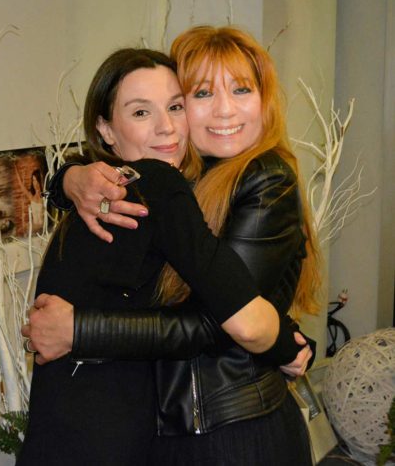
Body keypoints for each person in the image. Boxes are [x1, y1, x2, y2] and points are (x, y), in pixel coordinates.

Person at [23, 26, 320, 465]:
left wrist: (79, 330)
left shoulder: (260, 178)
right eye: (202, 94)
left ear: (266, 101)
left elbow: (228, 316)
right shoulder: (175, 179)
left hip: (230, 429)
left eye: (241, 89)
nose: (224, 109)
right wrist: (68, 178)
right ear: (105, 128)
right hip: (154, 429)